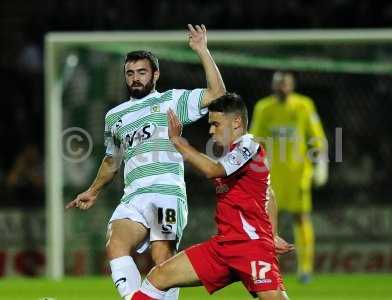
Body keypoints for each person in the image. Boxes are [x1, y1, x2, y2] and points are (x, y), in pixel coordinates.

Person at [65, 24, 226, 300]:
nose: (135, 79)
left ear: (155, 74)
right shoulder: (114, 116)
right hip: (134, 197)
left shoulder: (172, 100)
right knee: (116, 242)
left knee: (163, 259)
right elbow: (111, 160)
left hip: (167, 193)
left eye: (141, 72)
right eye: (130, 73)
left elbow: (217, 93)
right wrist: (93, 190)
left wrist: (202, 50)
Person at [131, 93, 294, 300]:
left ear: (236, 122)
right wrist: (272, 234)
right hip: (223, 248)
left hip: (250, 247)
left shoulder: (249, 145)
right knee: (158, 277)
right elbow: (269, 194)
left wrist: (178, 142)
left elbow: (212, 170)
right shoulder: (234, 155)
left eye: (216, 124)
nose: (211, 130)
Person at [250, 71, 328, 283]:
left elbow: (317, 137)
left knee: (301, 218)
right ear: (273, 86)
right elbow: (256, 140)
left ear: (292, 86)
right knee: (267, 223)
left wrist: (320, 163)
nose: (283, 88)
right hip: (272, 175)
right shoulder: (264, 108)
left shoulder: (304, 106)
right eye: (279, 84)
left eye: (286, 84)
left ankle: (305, 269)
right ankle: (269, 268)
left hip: (298, 174)